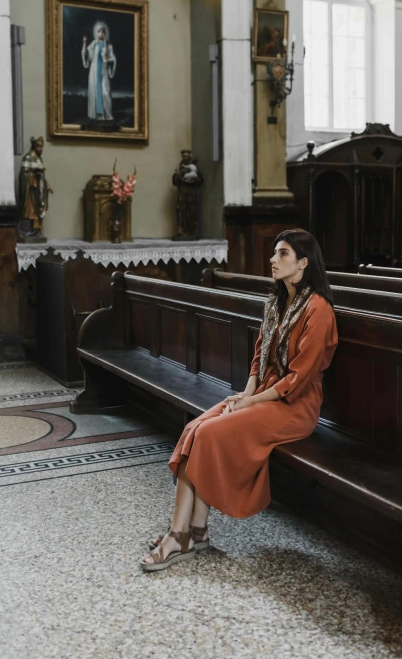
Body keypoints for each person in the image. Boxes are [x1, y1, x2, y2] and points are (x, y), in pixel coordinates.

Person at [141, 229, 338, 571]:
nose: (273, 260)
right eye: (275, 253)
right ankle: (197, 530)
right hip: (263, 395)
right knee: (195, 428)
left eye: (283, 254)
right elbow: (259, 358)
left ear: (303, 263)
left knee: (208, 434)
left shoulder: (318, 310)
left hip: (295, 406)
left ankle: (178, 536)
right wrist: (247, 395)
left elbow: (297, 379)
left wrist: (252, 403)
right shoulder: (277, 303)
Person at [17, 136, 53, 241]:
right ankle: (26, 231)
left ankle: (36, 231)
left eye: (42, 147)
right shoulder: (28, 158)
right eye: (39, 147)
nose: (41, 149)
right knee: (30, 210)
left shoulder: (39, 159)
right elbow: (23, 175)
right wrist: (32, 177)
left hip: (39, 190)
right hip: (30, 191)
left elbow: (42, 177)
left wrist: (46, 185)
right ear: (34, 146)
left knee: (38, 210)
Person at [81, 23, 116, 121]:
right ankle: (98, 114)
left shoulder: (109, 46)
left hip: (103, 71)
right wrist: (84, 43)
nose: (101, 33)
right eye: (99, 31)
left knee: (106, 91)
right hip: (94, 72)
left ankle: (108, 114)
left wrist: (107, 59)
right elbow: (86, 54)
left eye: (103, 31)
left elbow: (113, 58)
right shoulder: (94, 44)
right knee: (97, 92)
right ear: (97, 33)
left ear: (105, 33)